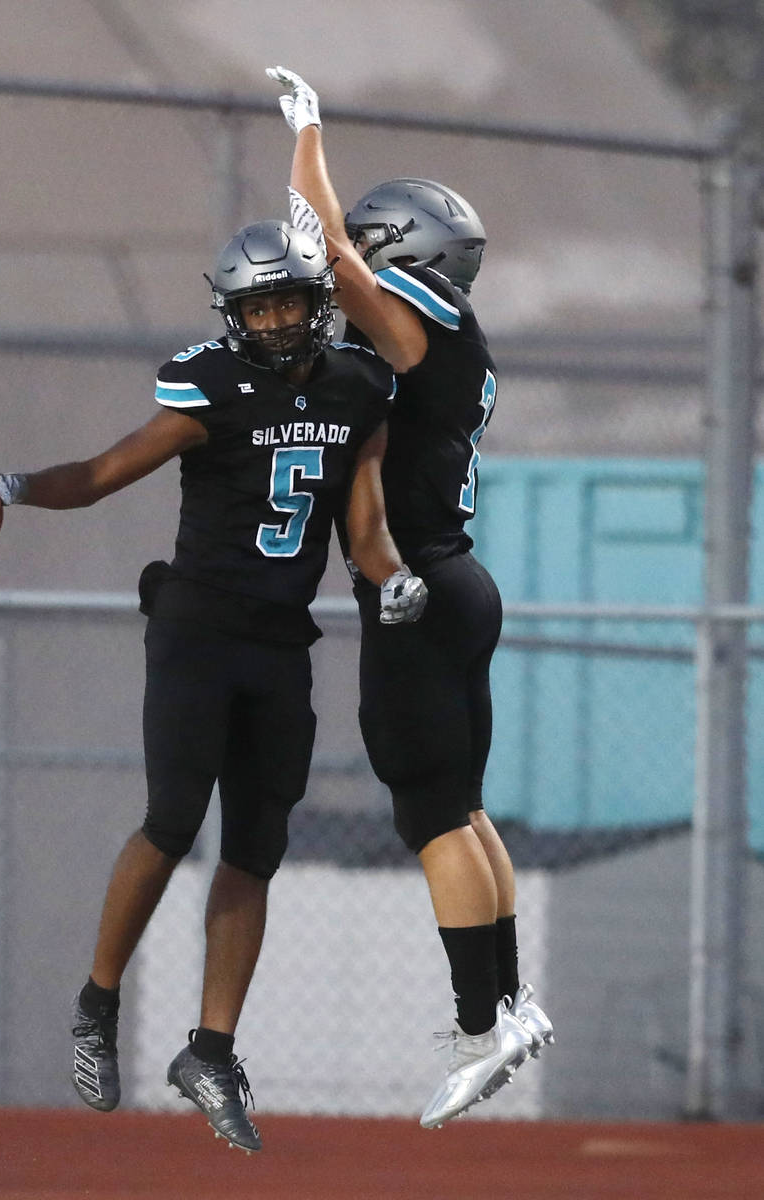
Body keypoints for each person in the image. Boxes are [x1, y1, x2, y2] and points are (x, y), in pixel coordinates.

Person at [0, 217, 426, 1153]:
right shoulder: (209, 381)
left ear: (320, 303)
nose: (280, 319)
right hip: (197, 630)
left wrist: (394, 577)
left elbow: (363, 525)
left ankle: (209, 1049)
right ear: (234, 314)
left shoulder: (360, 387)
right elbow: (101, 472)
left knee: (255, 848)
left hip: (281, 642)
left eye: (291, 298)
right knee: (171, 821)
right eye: (261, 304)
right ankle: (98, 1000)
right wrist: (9, 483)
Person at [267, 66, 554, 1129]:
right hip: (458, 582)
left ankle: (477, 1030)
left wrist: (305, 134)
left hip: (418, 591)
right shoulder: (450, 342)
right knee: (461, 808)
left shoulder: (411, 328)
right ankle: (511, 1002)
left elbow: (325, 246)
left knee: (429, 814)